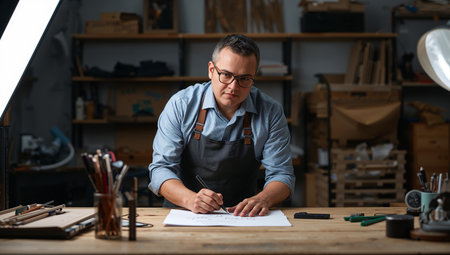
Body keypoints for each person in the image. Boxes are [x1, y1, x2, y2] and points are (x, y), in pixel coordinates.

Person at [148, 34, 295, 217]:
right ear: (211, 70)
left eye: (244, 79)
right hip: (185, 213)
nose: (233, 87)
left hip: (244, 217)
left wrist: (263, 198)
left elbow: (283, 175)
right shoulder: (181, 105)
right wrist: (191, 200)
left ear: (254, 77)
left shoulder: (270, 111)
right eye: (226, 75)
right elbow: (160, 170)